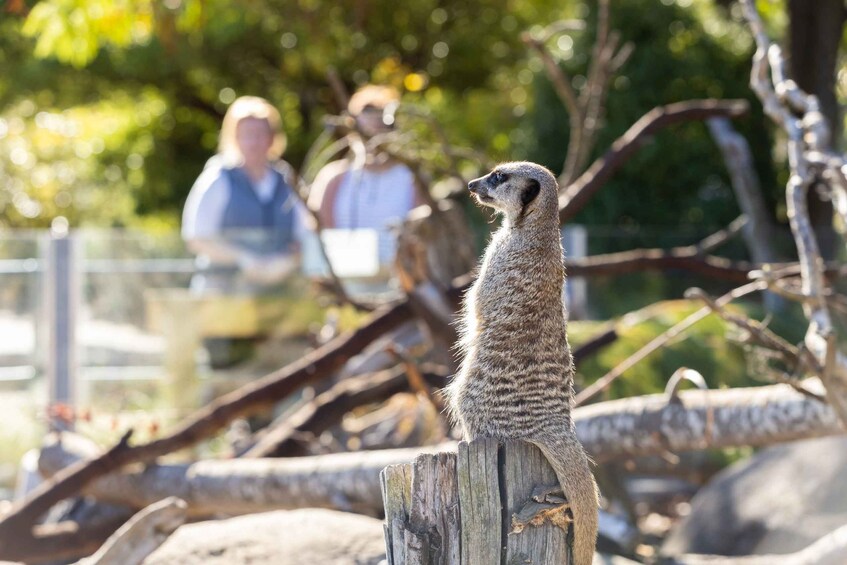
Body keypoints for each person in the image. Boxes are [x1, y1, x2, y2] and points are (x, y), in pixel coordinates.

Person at [181, 95, 305, 367]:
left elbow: (304, 234)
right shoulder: (218, 178)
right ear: (234, 137)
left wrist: (285, 262)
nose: (254, 142)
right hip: (225, 296)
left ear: (272, 138)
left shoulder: (286, 179)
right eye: (247, 134)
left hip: (277, 300)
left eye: (261, 134)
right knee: (227, 369)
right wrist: (243, 259)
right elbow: (196, 236)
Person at [308, 85, 421, 267]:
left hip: (400, 280)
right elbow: (319, 232)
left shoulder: (410, 179)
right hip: (347, 279)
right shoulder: (334, 177)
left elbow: (421, 232)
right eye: (367, 115)